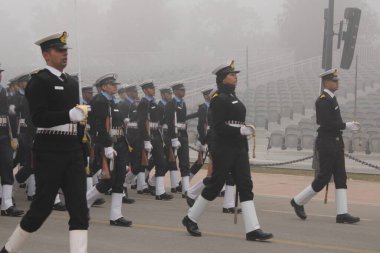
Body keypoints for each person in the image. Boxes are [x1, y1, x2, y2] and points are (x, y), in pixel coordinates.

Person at [1, 31, 89, 253]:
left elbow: (76, 120)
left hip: (72, 151)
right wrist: (69, 115)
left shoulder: (71, 82)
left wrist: (83, 148)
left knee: (79, 209)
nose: (65, 55)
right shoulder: (39, 81)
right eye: (60, 51)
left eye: (66, 51)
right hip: (50, 151)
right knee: (41, 209)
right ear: (46, 55)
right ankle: (9, 249)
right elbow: (39, 118)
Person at [182, 60, 273, 241]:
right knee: (216, 184)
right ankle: (190, 218)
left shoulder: (233, 97)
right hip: (223, 147)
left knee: (246, 185)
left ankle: (253, 228)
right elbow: (218, 127)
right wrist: (239, 130)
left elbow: (235, 123)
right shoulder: (218, 99)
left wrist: (242, 131)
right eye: (232, 75)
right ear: (223, 79)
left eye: (235, 74)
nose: (235, 77)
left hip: (238, 146)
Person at [290, 68, 361, 224]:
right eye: (334, 80)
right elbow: (326, 123)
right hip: (327, 142)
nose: (337, 82)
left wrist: (343, 128)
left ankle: (342, 213)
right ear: (326, 82)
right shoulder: (323, 100)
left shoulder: (332, 98)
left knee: (341, 177)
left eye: (337, 80)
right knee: (323, 178)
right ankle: (298, 201)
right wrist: (346, 125)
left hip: (335, 141)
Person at [86, 73, 132, 227]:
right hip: (108, 144)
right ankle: (83, 204)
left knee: (119, 179)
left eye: (115, 84)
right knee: (108, 180)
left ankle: (116, 216)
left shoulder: (112, 101)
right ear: (104, 86)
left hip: (119, 143)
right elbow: (99, 126)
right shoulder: (100, 101)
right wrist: (106, 146)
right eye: (112, 84)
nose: (115, 87)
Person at [0, 70, 24, 217]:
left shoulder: (5, 93)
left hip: (4, 136)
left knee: (7, 166)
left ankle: (6, 204)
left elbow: (10, 119)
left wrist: (14, 136)